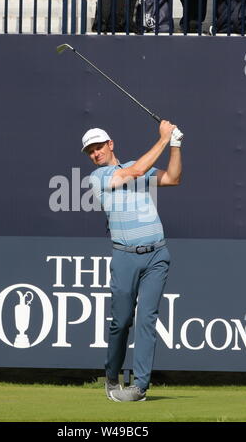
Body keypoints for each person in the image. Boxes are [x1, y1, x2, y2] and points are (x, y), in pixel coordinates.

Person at [81, 121, 183, 402]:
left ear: (110, 144)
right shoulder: (98, 177)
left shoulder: (135, 167)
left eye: (98, 147)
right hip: (125, 257)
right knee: (122, 321)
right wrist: (163, 138)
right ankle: (112, 377)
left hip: (157, 255)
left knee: (147, 319)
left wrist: (175, 145)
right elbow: (135, 171)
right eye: (90, 151)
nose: (95, 153)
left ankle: (140, 386)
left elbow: (173, 178)